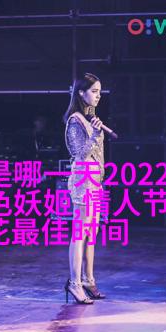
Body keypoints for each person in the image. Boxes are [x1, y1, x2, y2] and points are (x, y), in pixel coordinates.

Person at [63, 72, 107, 304]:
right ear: (81, 93)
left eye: (99, 92)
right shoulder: (75, 120)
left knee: (92, 232)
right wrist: (96, 134)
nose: (98, 96)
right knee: (80, 232)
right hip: (83, 180)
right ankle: (74, 283)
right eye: (94, 91)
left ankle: (88, 279)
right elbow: (78, 153)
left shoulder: (91, 118)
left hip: (95, 179)